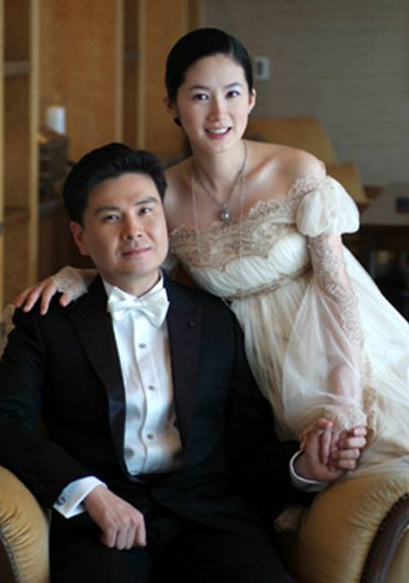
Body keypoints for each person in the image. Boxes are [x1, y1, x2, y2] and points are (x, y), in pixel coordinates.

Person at [15, 27, 408, 471]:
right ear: (172, 105)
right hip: (248, 364)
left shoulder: (296, 171)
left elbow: (336, 290)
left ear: (252, 99)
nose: (219, 113)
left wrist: (345, 395)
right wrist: (76, 276)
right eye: (200, 96)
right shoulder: (164, 197)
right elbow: (144, 273)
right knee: (285, 471)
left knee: (379, 458)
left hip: (330, 344)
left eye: (232, 93)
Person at [0, 143, 366, 583]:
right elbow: (7, 421)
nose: (133, 231)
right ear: (80, 237)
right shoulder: (45, 322)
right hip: (98, 524)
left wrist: (303, 468)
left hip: (210, 519)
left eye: (145, 211)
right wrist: (89, 492)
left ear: (166, 220)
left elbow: (247, 443)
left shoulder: (215, 318)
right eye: (111, 217)